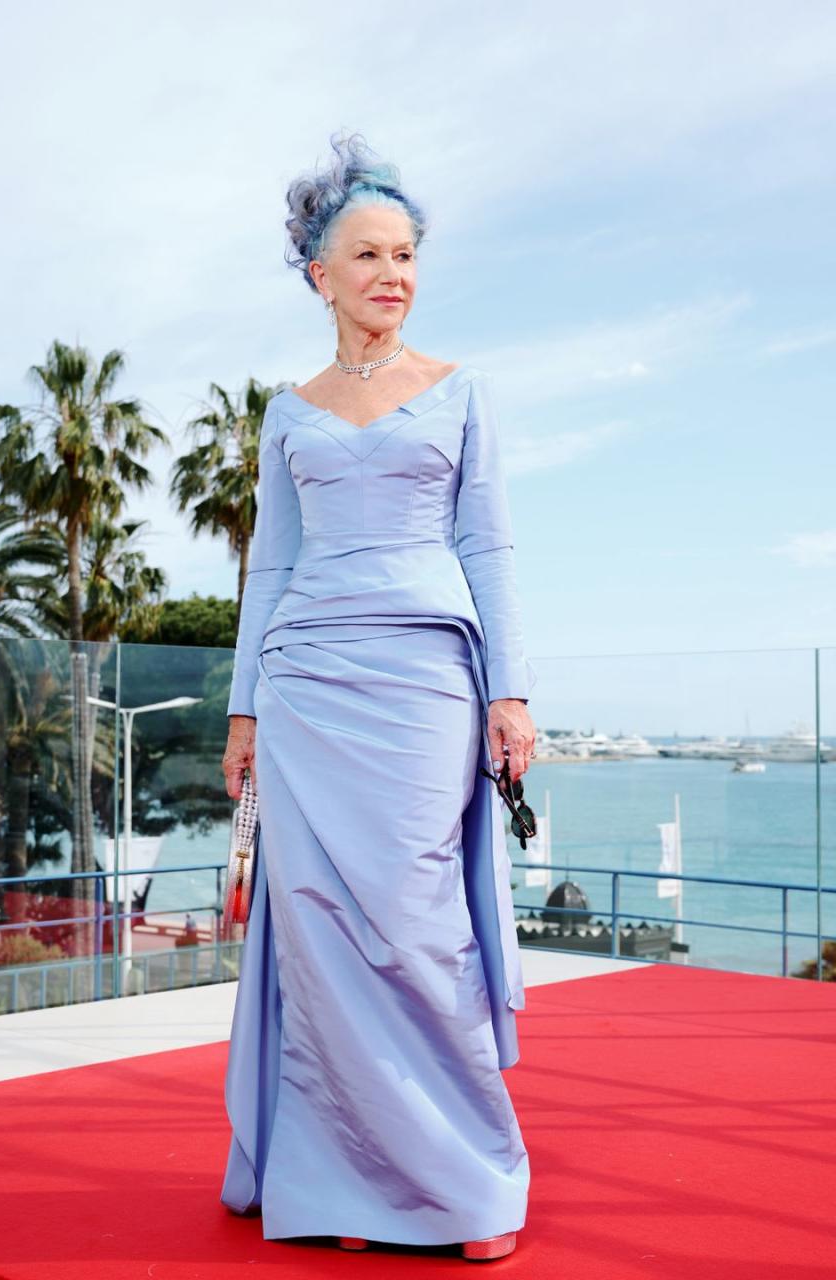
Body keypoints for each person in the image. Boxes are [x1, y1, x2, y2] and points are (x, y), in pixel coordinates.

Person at [219, 130, 538, 1263]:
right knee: (321, 936)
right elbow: (271, 564)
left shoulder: (459, 392)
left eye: (405, 253)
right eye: (368, 253)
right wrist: (243, 712)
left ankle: (459, 1183)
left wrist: (511, 695)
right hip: (306, 688)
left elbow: (487, 548)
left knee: (413, 927)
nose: (392, 273)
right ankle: (345, 1176)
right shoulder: (287, 410)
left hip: (422, 683)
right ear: (321, 272)